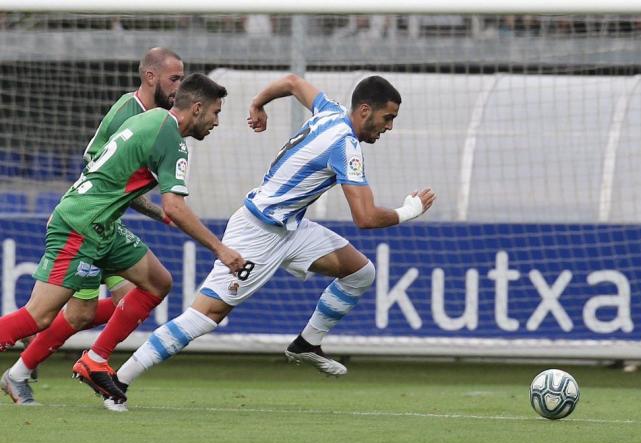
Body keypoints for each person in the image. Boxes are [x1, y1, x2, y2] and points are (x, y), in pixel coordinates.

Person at [107, 74, 436, 412]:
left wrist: (258, 103)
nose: (389, 127)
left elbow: (293, 82)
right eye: (388, 118)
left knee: (361, 273)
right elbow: (365, 217)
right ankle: (118, 382)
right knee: (205, 316)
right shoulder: (345, 145)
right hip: (257, 232)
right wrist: (409, 210)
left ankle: (307, 342)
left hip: (292, 228)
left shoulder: (329, 110)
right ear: (365, 110)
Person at [0, 73, 246, 406]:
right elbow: (174, 203)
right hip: (81, 224)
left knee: (157, 283)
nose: (217, 121)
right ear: (198, 108)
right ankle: (25, 372)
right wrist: (221, 250)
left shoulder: (152, 119)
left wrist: (162, 216)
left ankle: (95, 359)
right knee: (39, 316)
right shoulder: (172, 138)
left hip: (103, 225)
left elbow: (124, 183)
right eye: (216, 113)